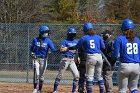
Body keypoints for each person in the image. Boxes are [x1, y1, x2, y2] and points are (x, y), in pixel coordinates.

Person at [62, 22, 106, 93]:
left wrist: (67, 48)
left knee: (89, 77)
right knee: (99, 76)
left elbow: (76, 47)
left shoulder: (84, 37)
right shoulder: (98, 37)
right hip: (99, 57)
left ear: (85, 30)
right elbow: (103, 47)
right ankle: (102, 91)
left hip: (91, 57)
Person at [112, 19, 140, 93]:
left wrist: (112, 63)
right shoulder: (137, 40)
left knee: (122, 90)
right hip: (136, 66)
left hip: (125, 66)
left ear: (123, 28)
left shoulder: (119, 39)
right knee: (134, 88)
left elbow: (115, 56)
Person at [30, 25, 58, 93]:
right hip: (36, 59)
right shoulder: (35, 39)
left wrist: (59, 49)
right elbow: (31, 49)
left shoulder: (48, 41)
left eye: (47, 32)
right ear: (41, 32)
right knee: (37, 74)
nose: (46, 33)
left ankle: (39, 89)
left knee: (41, 76)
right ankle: (34, 88)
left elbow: (53, 49)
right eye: (45, 32)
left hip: (44, 60)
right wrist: (32, 54)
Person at [53, 28, 79, 93]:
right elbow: (61, 50)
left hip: (72, 60)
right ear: (68, 34)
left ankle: (73, 91)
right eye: (71, 34)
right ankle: (55, 90)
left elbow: (77, 51)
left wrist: (78, 57)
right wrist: (67, 49)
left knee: (76, 75)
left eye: (73, 34)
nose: (72, 35)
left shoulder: (76, 41)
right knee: (60, 75)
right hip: (65, 59)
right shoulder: (65, 41)